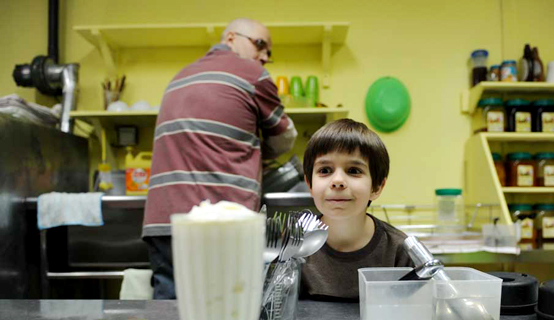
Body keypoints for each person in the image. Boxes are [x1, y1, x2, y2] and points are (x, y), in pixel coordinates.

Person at [142, 18, 297, 299]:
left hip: (163, 221)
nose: (264, 57)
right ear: (230, 38)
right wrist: (260, 152)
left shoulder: (179, 76)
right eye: (260, 45)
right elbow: (285, 137)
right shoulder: (253, 74)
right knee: (227, 314)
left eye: (268, 55)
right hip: (222, 222)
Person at [300, 118, 414, 301]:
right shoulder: (294, 245)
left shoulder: (400, 252)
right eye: (325, 170)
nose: (337, 181)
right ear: (310, 184)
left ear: (376, 187)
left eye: (353, 170)